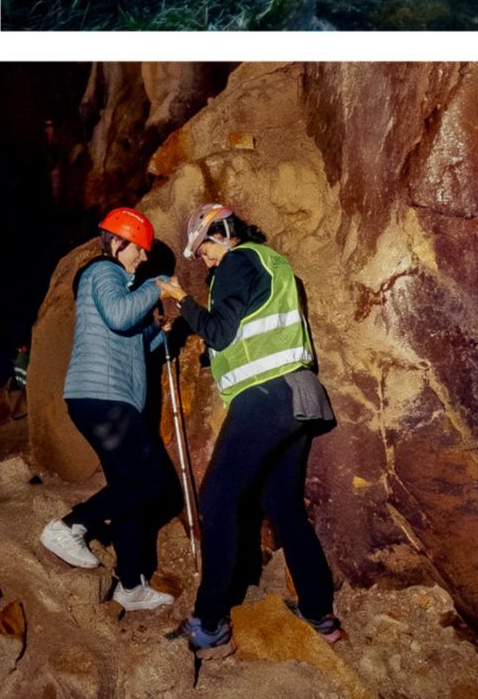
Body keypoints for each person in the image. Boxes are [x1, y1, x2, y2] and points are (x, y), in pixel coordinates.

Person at [156, 206, 341, 652]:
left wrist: (182, 299)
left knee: (218, 499)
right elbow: (248, 332)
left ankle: (211, 621)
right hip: (299, 394)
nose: (206, 261)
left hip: (268, 398)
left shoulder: (239, 260)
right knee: (282, 504)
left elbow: (220, 331)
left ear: (223, 233)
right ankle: (321, 615)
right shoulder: (270, 261)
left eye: (205, 249)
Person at [40, 208, 181, 615]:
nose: (142, 257)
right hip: (101, 396)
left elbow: (133, 343)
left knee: (129, 491)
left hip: (115, 399)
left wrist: (161, 332)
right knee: (154, 482)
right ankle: (69, 527)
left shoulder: (121, 286)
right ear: (118, 241)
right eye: (139, 249)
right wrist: (156, 286)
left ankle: (132, 585)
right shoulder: (102, 272)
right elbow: (120, 317)